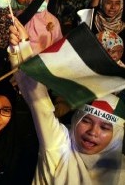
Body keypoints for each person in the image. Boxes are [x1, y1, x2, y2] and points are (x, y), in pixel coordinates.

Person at [9, 17, 125, 184]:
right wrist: (22, 46)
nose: (93, 132)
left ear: (118, 134)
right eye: (86, 120)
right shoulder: (59, 145)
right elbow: (38, 101)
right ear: (76, 119)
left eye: (105, 127)